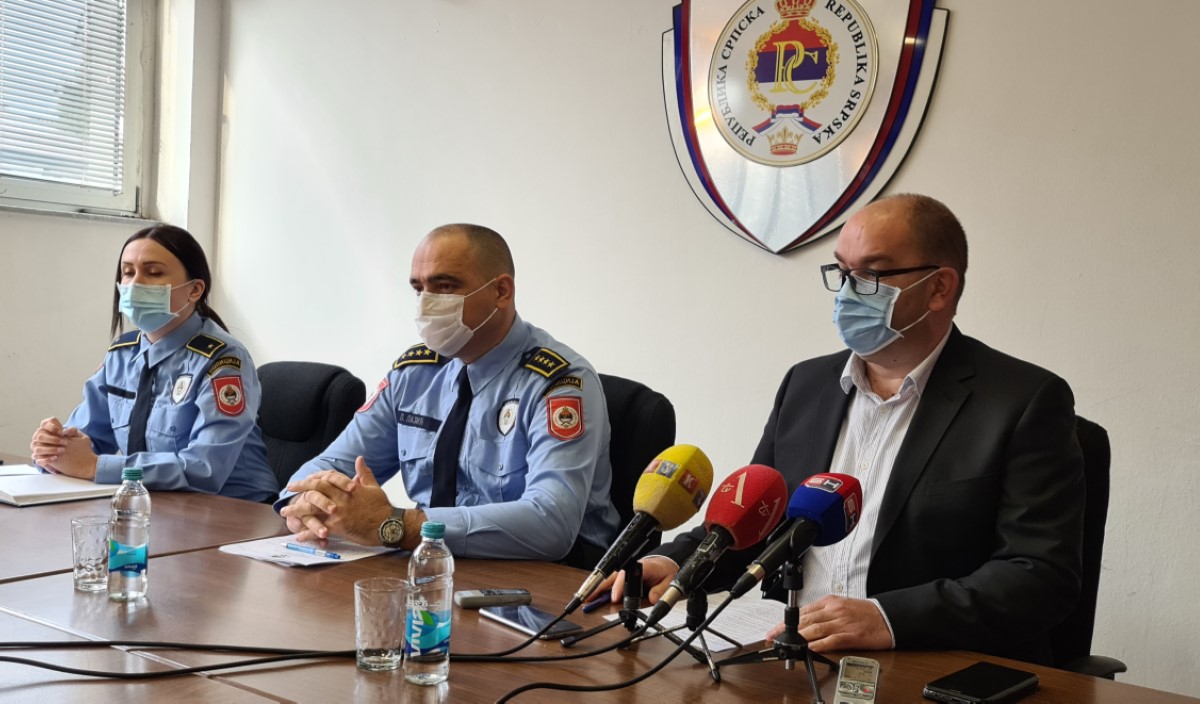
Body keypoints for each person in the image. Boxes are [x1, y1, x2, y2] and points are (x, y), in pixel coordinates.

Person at [600, 194, 1085, 665]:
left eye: (871, 275)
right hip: (787, 652)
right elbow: (754, 519)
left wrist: (887, 618)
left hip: (926, 662)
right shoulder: (806, 384)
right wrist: (677, 564)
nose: (849, 293)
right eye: (843, 273)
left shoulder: (1022, 401)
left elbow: (1040, 575)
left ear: (939, 288)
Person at [278, 224, 620, 567]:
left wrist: (395, 524)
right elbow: (326, 467)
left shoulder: (559, 382)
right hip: (434, 563)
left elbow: (551, 523)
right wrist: (307, 505)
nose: (426, 304)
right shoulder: (414, 374)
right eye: (419, 289)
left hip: (551, 575)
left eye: (444, 287)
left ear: (501, 291)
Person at [28, 225, 277, 503]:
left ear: (195, 290)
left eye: (154, 273)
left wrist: (95, 467)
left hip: (234, 508)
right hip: (154, 503)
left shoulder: (223, 359)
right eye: (128, 272)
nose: (135, 284)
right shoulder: (121, 354)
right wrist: (55, 448)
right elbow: (87, 438)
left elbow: (205, 469)